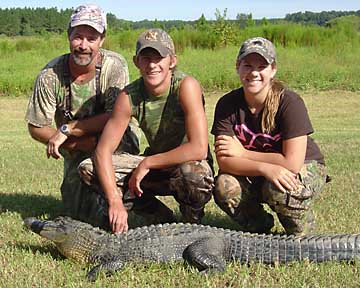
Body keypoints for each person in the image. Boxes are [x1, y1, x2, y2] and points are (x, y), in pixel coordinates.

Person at [78, 28, 214, 233]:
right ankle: (160, 218)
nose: (152, 65)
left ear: (172, 61)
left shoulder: (186, 86)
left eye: (159, 58)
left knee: (193, 175)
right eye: (146, 58)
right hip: (155, 165)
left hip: (186, 164)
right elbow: (102, 151)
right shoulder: (129, 96)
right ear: (136, 62)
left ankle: (192, 223)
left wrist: (148, 162)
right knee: (88, 168)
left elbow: (199, 149)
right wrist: (115, 200)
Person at [25, 4, 139, 227]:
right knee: (77, 217)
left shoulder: (113, 67)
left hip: (117, 144)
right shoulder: (50, 76)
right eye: (78, 37)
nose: (83, 46)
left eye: (91, 38)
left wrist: (66, 130)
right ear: (68, 36)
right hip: (76, 152)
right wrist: (77, 143)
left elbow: (114, 117)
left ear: (102, 40)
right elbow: (36, 126)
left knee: (122, 212)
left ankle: (129, 199)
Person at [211, 37, 328, 235]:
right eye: (247, 65)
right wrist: (265, 168)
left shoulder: (290, 103)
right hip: (263, 170)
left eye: (262, 66)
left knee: (278, 185)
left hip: (304, 166)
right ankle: (259, 228)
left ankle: (303, 231)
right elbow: (224, 162)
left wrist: (242, 152)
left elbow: (291, 162)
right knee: (224, 185)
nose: (254, 72)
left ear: (273, 69)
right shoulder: (226, 104)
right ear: (237, 66)